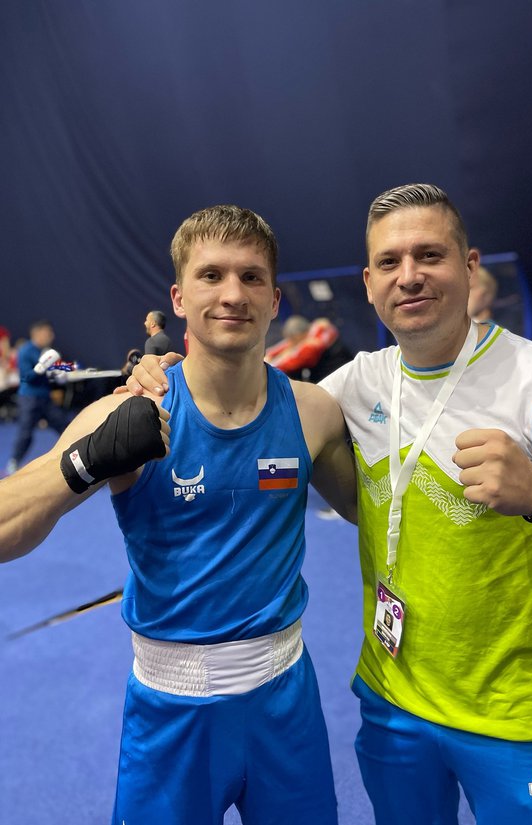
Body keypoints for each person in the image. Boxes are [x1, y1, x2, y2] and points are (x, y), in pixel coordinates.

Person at [132, 184, 532, 825]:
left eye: (430, 256)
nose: (409, 276)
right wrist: (159, 373)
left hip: (516, 719)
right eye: (389, 262)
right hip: (393, 706)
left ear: (469, 267)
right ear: (370, 281)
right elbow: (252, 404)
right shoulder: (355, 385)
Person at [0, 205, 357, 825]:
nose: (232, 294)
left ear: (275, 300)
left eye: (251, 277)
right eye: (211, 275)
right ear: (179, 297)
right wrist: (84, 462)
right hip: (171, 713)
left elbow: (370, 509)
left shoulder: (313, 413)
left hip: (286, 703)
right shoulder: (133, 411)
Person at [5, 320, 71, 474]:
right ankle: (13, 463)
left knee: (66, 428)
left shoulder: (47, 351)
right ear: (38, 333)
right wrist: (41, 368)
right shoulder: (25, 351)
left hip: (46, 399)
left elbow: (59, 369)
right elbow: (26, 377)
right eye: (48, 333)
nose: (51, 336)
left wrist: (68, 371)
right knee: (25, 433)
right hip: (29, 399)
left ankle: (84, 461)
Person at [265, 315, 353, 382]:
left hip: (334, 374)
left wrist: (268, 364)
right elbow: (288, 345)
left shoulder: (311, 346)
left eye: (293, 339)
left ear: (299, 335)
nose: (291, 342)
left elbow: (290, 360)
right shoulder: (316, 327)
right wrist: (270, 354)